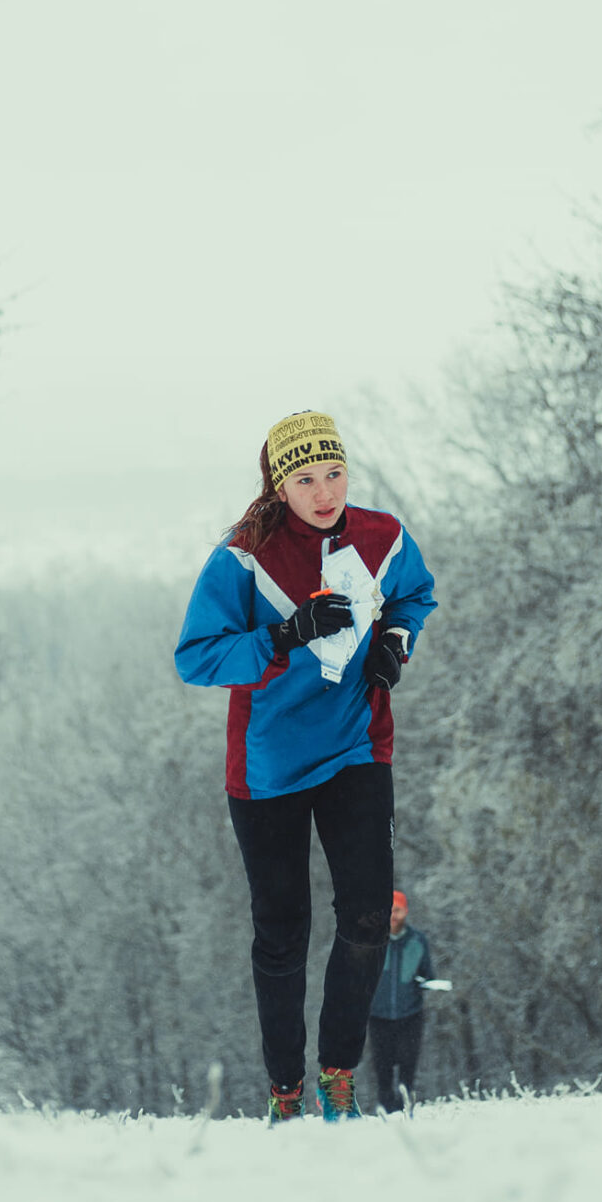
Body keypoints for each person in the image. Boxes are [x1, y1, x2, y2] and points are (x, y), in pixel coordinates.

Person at [174, 411, 436, 1123]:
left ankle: (336, 1075)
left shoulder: (383, 537)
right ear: (278, 484)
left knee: (365, 915)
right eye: (305, 479)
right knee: (281, 931)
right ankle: (285, 1087)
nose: (324, 493)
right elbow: (196, 656)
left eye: (334, 474)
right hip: (267, 769)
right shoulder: (244, 557)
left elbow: (415, 593)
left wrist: (398, 642)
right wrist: (284, 635)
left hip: (356, 747)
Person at [368, 889, 436, 1113]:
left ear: (405, 911)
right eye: (389, 911)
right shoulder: (373, 940)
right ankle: (385, 1108)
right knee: (382, 1066)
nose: (393, 915)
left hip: (411, 1013)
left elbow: (427, 973)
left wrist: (425, 982)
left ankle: (407, 1105)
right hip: (378, 1014)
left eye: (397, 910)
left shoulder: (418, 941)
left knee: (409, 1062)